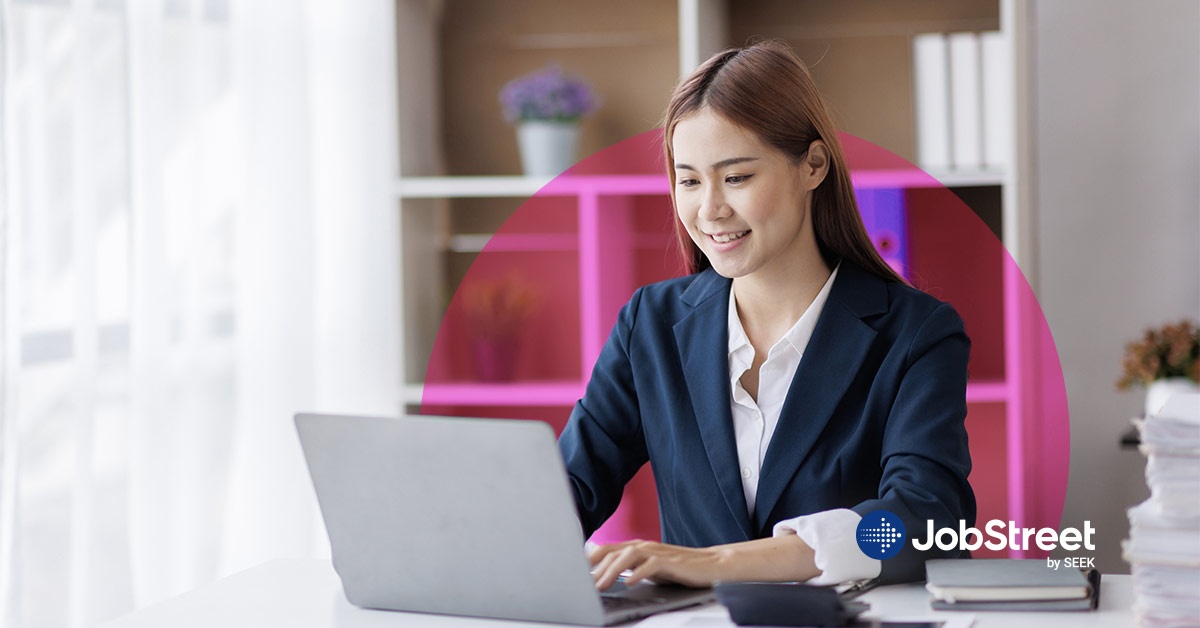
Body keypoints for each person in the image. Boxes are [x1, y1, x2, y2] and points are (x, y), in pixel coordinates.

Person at [557, 41, 975, 590]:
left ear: (814, 166)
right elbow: (568, 491)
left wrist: (721, 564)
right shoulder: (650, 325)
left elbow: (927, 521)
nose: (709, 210)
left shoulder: (915, 335)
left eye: (736, 177)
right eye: (688, 180)